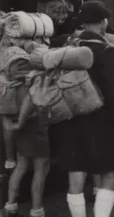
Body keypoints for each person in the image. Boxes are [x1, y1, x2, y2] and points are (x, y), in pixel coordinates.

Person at [56, 0, 114, 217]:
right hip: (100, 118)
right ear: (103, 22)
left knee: (76, 171)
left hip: (71, 116)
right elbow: (113, 90)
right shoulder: (105, 49)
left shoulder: (68, 45)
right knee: (111, 171)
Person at [2, 44, 50, 217]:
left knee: (22, 165)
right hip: (35, 125)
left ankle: (10, 206)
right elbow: (31, 100)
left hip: (24, 126)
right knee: (41, 167)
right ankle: (37, 210)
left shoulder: (19, 74)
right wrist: (19, 124)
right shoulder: (37, 75)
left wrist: (16, 125)